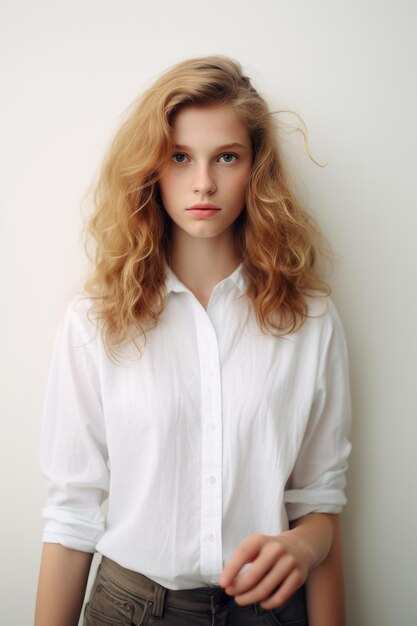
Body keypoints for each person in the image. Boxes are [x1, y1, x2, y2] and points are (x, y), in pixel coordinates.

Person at [35, 56, 351, 626]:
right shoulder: (96, 321)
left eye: (226, 157)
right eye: (180, 157)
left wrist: (304, 547)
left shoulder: (310, 321)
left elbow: (320, 503)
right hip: (126, 609)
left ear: (255, 169)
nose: (203, 182)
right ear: (151, 169)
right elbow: (71, 514)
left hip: (270, 612)